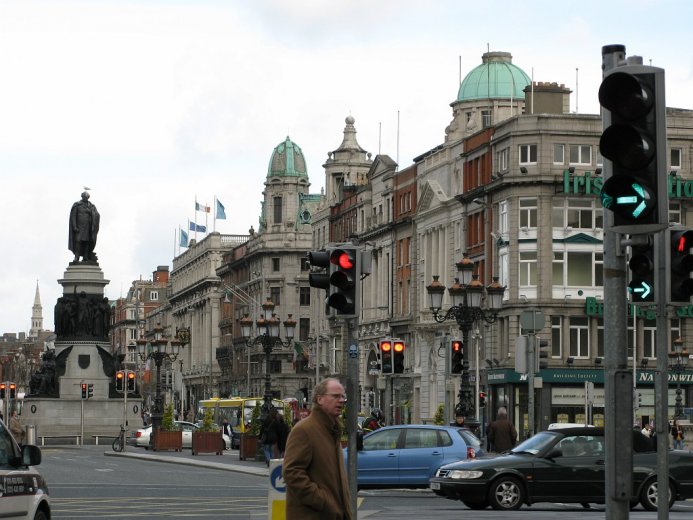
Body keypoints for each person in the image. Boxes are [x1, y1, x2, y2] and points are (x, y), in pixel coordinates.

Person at [283, 377, 352, 520]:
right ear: (320, 399)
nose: (341, 400)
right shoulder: (304, 430)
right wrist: (322, 501)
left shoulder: (332, 429)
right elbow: (292, 472)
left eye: (342, 396)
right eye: (335, 396)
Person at [68, 191, 100, 262]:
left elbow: (97, 214)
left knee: (86, 242)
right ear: (82, 197)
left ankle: (85, 256)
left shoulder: (91, 206)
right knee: (78, 241)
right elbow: (73, 216)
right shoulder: (77, 205)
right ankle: (76, 257)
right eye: (84, 197)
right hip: (79, 227)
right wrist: (74, 226)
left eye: (87, 197)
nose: (86, 198)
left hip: (88, 227)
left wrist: (92, 212)